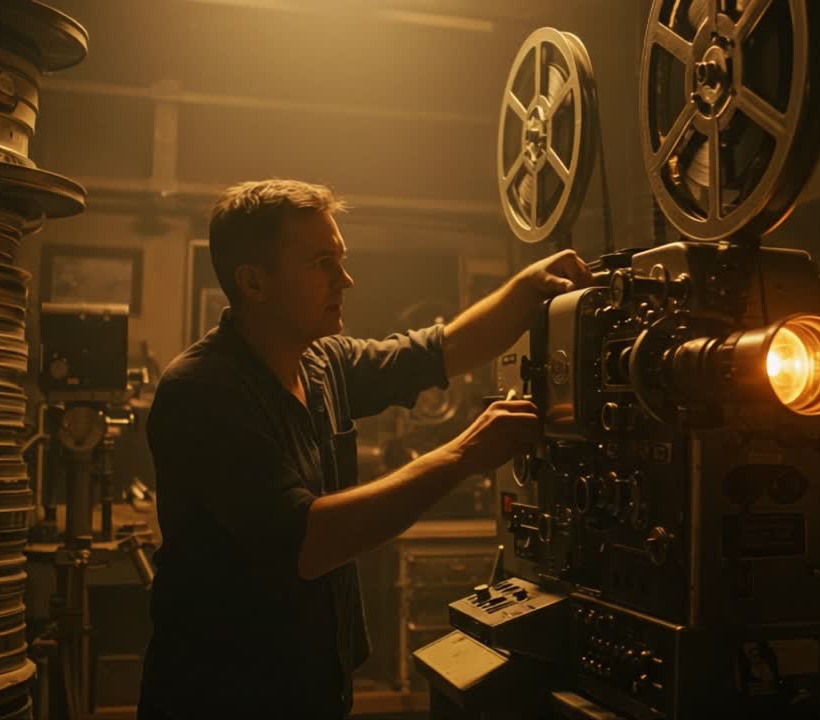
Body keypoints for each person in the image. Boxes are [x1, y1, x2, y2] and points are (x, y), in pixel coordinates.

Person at [136, 179, 591, 718]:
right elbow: (307, 541)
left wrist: (525, 289)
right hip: (223, 694)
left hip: (315, 683)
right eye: (323, 263)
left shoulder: (321, 363)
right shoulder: (203, 391)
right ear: (254, 282)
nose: (345, 280)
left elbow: (435, 353)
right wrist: (463, 454)